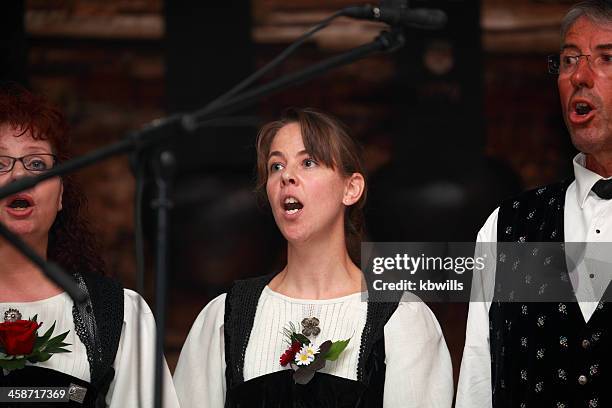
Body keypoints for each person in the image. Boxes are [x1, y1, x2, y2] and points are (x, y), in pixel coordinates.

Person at [173, 108, 453, 407]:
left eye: (308, 162)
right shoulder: (226, 316)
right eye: (276, 166)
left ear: (351, 188)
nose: (287, 177)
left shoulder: (401, 317)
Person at [457, 1, 612, 407]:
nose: (579, 76)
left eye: (606, 58)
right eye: (567, 61)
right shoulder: (507, 228)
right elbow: (477, 378)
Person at [0, 82, 179, 407]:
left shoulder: (118, 314)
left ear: (61, 196)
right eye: (0, 164)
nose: (19, 176)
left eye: (36, 164)